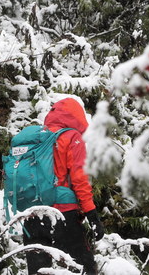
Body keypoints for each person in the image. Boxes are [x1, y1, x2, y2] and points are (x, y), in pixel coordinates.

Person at [23, 97, 104, 275]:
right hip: (62, 214)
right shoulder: (71, 137)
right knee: (83, 268)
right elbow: (79, 179)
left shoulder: (34, 138)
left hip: (31, 216)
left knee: (39, 272)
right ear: (77, 118)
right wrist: (92, 214)